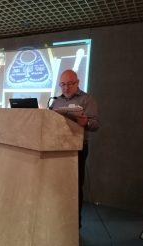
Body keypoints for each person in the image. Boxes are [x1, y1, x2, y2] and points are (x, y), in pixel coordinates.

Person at [50, 69, 99, 228]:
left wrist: (86, 123)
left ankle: (73, 224)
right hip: (57, 148)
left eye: (69, 84)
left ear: (77, 83)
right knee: (58, 186)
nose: (66, 88)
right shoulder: (56, 101)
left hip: (77, 149)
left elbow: (96, 124)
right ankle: (57, 218)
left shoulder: (87, 99)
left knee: (74, 187)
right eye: (62, 84)